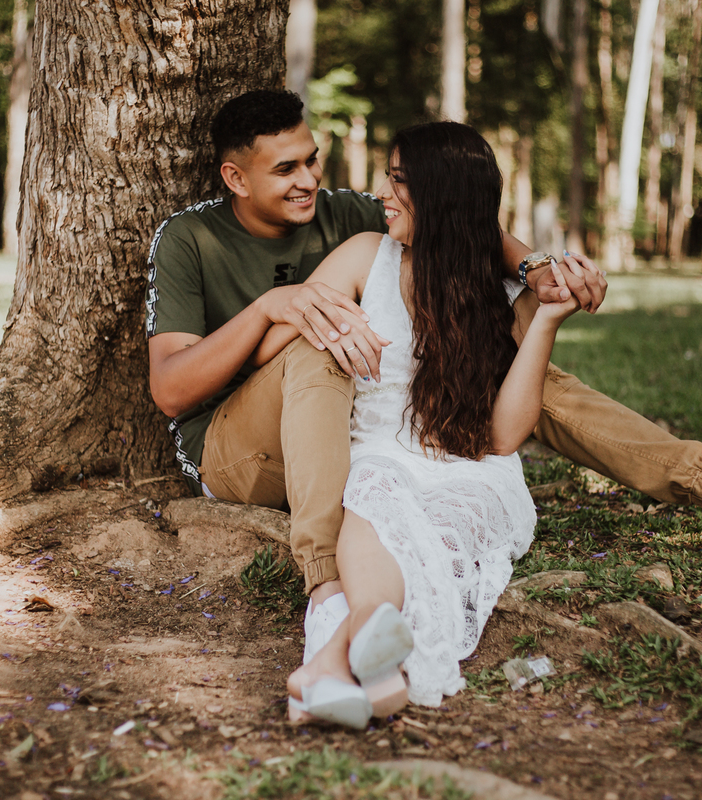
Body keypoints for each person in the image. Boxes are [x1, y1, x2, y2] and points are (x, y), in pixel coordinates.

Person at [144, 89, 702, 681]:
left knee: (521, 366)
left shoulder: (351, 214)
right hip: (240, 450)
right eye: (284, 170)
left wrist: (535, 274)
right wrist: (277, 306)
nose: (308, 180)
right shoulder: (191, 239)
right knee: (318, 344)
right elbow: (173, 391)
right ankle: (327, 588)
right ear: (236, 179)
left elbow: (463, 225)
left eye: (312, 160)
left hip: (346, 429)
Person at [235, 122, 575, 725]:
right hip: (378, 455)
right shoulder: (366, 256)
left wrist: (546, 321)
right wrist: (310, 317)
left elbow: (501, 437)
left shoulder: (499, 293)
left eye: (398, 181)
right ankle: (367, 661)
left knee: (429, 537)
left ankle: (334, 665)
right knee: (378, 503)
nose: (383, 194)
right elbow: (273, 351)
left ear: (441, 197)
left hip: (470, 471)